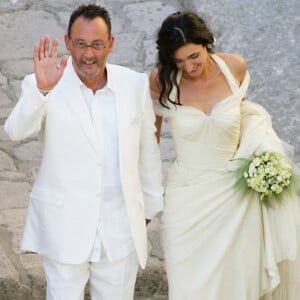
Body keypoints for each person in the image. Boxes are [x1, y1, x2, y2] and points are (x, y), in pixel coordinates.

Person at [5, 4, 164, 300]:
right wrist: (42, 90)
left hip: (120, 231)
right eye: (80, 44)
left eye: (96, 45)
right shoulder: (44, 82)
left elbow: (147, 150)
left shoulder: (135, 85)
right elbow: (15, 132)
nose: (88, 54)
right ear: (67, 43)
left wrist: (149, 208)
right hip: (64, 227)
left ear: (111, 44)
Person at [150, 11, 300, 300]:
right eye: (179, 61)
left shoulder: (235, 67)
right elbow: (150, 140)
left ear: (207, 43)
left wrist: (263, 157)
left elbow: (244, 118)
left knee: (238, 286)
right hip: (186, 199)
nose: (189, 66)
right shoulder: (161, 80)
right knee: (188, 286)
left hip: (235, 198)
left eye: (194, 56)